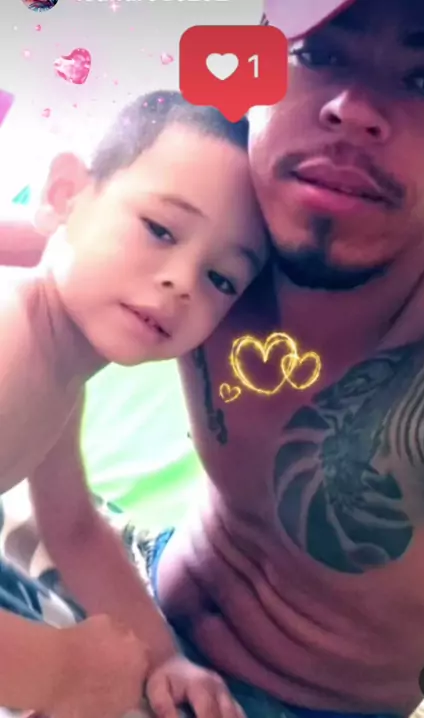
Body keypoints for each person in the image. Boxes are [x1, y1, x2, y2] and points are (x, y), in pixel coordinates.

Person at [3, 0, 424, 716]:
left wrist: (62, 673)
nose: (354, 109)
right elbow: (66, 235)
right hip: (130, 593)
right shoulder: (218, 245)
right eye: (318, 54)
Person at [0, 91, 266, 717]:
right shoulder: (10, 343)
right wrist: (57, 671)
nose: (182, 281)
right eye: (160, 230)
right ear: (66, 195)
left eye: (221, 279)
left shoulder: (58, 365)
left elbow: (73, 526)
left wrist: (165, 655)